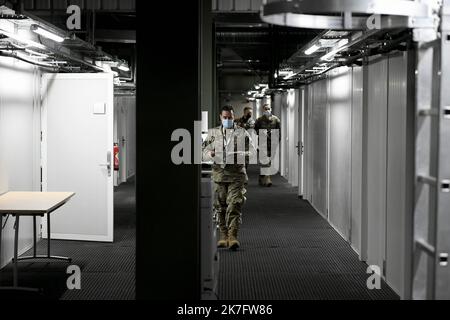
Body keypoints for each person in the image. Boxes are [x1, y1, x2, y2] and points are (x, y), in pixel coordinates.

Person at [202, 105, 256, 250]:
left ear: (234, 117)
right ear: (220, 117)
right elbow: (203, 152)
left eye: (230, 118)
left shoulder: (242, 132)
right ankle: (223, 235)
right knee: (220, 207)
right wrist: (210, 154)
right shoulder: (213, 133)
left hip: (237, 175)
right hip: (219, 175)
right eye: (225, 118)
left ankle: (233, 236)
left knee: (234, 204)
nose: (227, 120)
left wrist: (239, 155)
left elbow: (252, 152)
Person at [254, 104, 281, 187]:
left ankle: (261, 177)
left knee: (269, 161)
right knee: (265, 161)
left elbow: (279, 132)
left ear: (271, 109)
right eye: (265, 109)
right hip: (263, 143)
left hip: (272, 144)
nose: (267, 110)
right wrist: (262, 132)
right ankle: (267, 179)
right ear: (263, 110)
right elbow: (255, 130)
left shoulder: (276, 120)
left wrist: (277, 141)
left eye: (268, 109)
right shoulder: (259, 120)